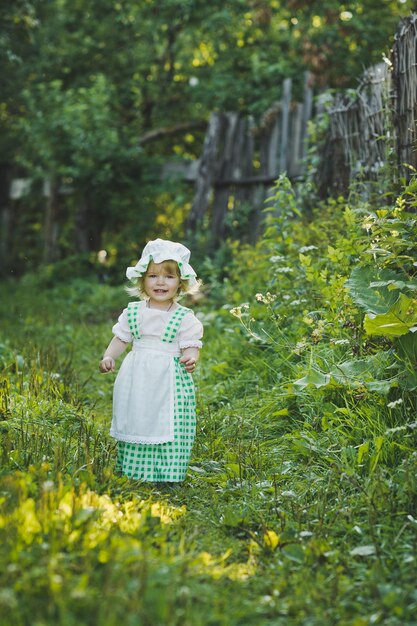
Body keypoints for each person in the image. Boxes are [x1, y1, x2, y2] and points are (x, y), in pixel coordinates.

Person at [99, 238, 203, 483]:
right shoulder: (133, 311)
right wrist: (108, 356)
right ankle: (135, 471)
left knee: (169, 422)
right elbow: (121, 339)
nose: (160, 282)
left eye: (168, 277)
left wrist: (190, 358)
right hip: (137, 379)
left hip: (169, 381)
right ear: (142, 280)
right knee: (137, 418)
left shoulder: (184, 317)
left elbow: (190, 345)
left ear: (180, 283)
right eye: (153, 276)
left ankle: (167, 473)